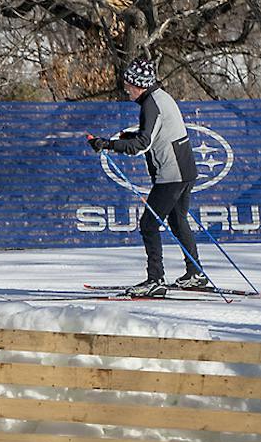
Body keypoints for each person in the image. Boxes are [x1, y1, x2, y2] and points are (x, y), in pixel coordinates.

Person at [87, 59, 208, 296]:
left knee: (148, 224)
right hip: (185, 170)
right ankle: (195, 274)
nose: (127, 89)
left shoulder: (151, 104)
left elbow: (142, 145)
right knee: (178, 220)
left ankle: (155, 280)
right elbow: (155, 133)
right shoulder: (161, 96)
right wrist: (130, 135)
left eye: (129, 85)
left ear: (140, 85)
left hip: (171, 174)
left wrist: (108, 144)